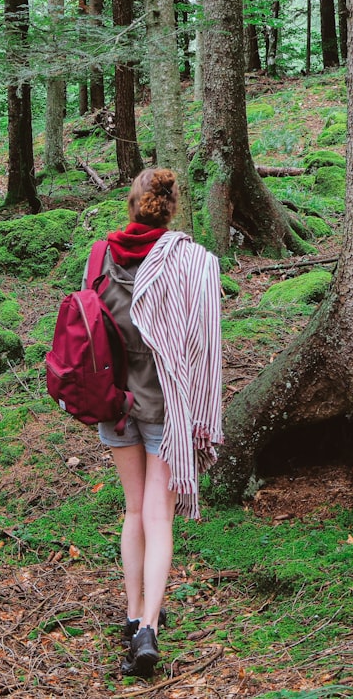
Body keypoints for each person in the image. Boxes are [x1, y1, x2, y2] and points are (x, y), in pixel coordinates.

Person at [87, 168, 223, 678]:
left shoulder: (100, 255)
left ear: (132, 203)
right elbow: (203, 342)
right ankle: (148, 627)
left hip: (116, 402)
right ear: (170, 208)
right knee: (158, 517)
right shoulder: (188, 262)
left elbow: (90, 325)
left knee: (132, 513)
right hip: (169, 404)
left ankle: (131, 612)